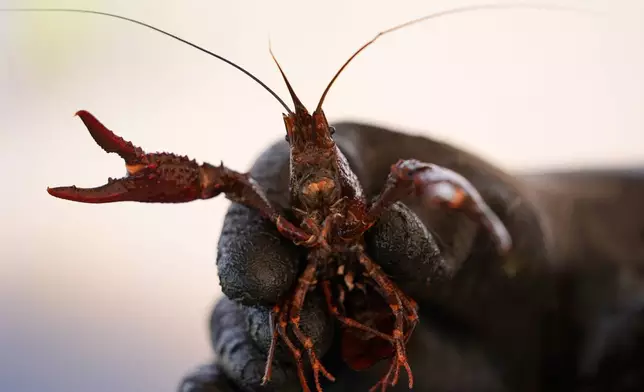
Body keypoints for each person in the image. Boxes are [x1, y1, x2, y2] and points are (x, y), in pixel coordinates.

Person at [178, 122, 644, 392]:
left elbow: (407, 178)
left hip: (379, 296)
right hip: (324, 301)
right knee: (278, 320)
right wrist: (569, 225)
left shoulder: (392, 188)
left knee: (392, 307)